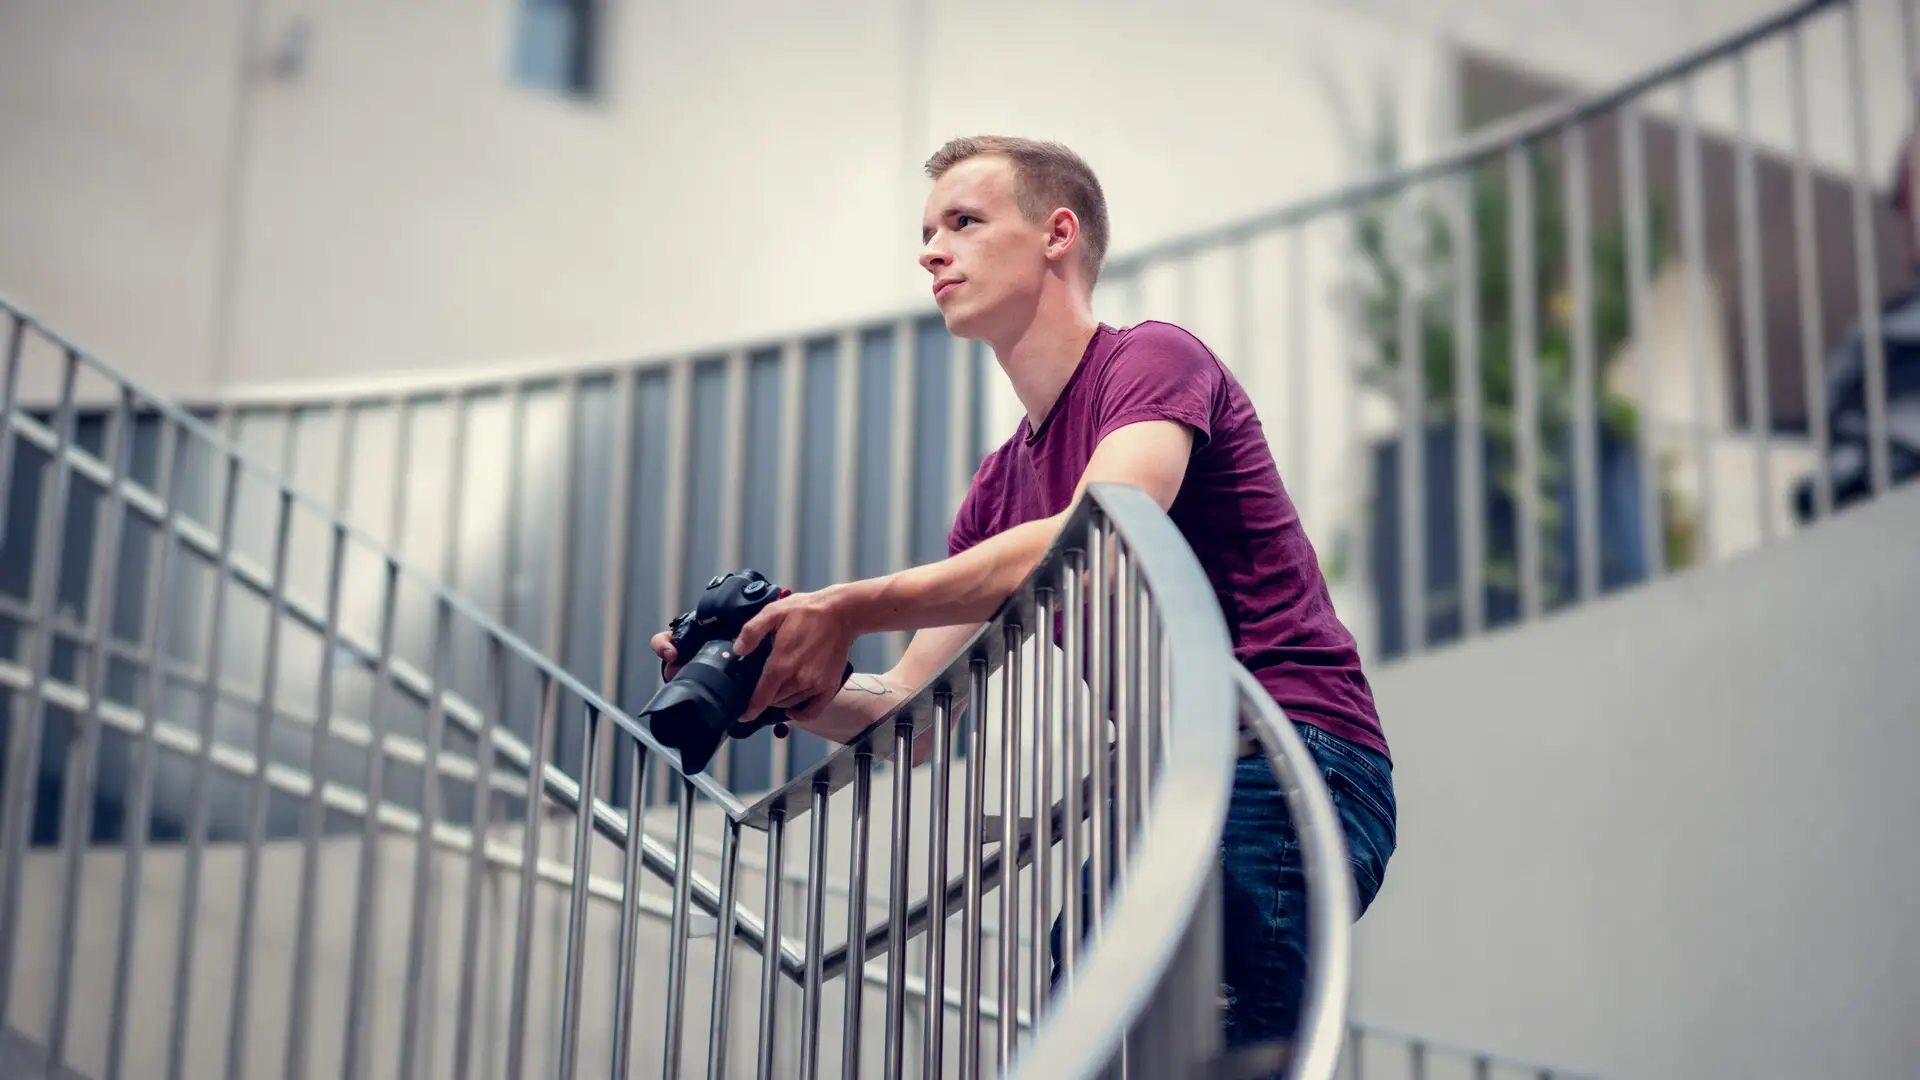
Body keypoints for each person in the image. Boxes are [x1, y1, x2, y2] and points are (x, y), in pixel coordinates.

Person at [652, 134, 1397, 1048]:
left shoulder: (1152, 360)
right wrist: (785, 687)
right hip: (1186, 779)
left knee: (1214, 1039)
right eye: (927, 231)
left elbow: (1106, 527)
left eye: (964, 221)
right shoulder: (1000, 486)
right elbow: (914, 714)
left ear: (1057, 234)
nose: (931, 250)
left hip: (1292, 751)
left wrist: (845, 607)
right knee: (1081, 1010)